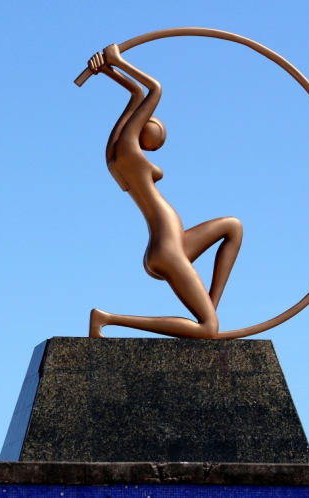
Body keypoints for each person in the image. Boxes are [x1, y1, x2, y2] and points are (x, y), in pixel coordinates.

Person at [87, 44, 243, 340]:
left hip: (175, 243)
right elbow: (153, 90)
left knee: (233, 226)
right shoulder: (129, 153)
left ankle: (210, 305)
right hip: (168, 248)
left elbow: (135, 96)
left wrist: (107, 70)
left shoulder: (116, 158)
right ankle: (107, 318)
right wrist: (119, 61)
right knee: (208, 330)